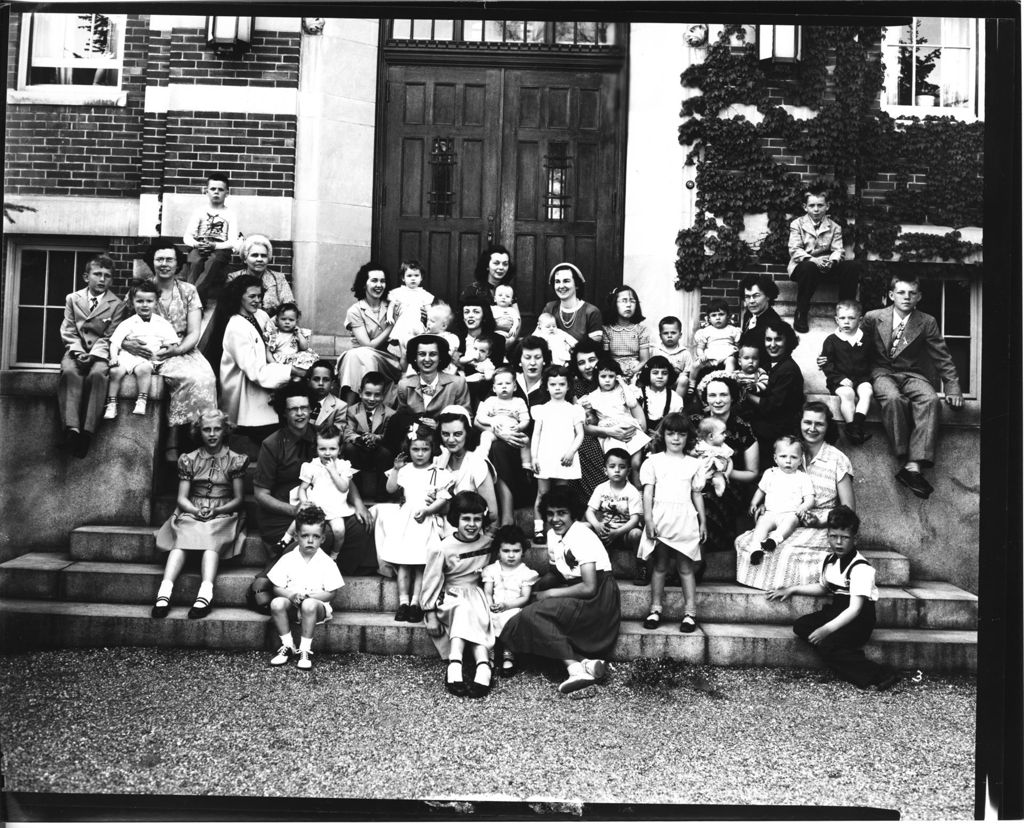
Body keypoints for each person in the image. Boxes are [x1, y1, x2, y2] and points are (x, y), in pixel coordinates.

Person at [498, 487, 620, 695]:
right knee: (531, 610)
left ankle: (574, 669)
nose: (555, 519)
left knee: (533, 615)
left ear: (573, 513)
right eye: (550, 513)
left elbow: (590, 587)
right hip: (575, 591)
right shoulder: (552, 536)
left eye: (561, 513)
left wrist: (551, 594)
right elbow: (556, 572)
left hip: (598, 599)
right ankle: (586, 663)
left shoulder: (583, 536)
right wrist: (536, 587)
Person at [768, 506, 900, 690]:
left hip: (858, 620)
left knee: (826, 645)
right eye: (833, 536)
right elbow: (824, 587)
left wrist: (826, 630)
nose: (838, 542)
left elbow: (855, 609)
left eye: (845, 538)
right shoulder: (830, 560)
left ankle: (880, 674)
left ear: (855, 538)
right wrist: (792, 589)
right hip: (837, 610)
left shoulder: (861, 568)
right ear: (828, 535)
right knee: (801, 626)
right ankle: (843, 652)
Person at [253, 382, 376, 576]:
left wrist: (359, 503)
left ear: (311, 409)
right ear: (284, 413)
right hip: (284, 508)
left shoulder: (323, 435)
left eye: (304, 408)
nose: (300, 413)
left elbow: (342, 472)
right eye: (293, 409)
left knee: (358, 527)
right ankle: (269, 578)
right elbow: (260, 494)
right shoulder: (272, 443)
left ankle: (331, 573)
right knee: (320, 532)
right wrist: (294, 509)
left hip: (324, 499)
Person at [735, 401, 854, 590]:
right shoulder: (790, 452)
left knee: (785, 550)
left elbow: (848, 509)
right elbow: (773, 485)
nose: (812, 428)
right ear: (800, 423)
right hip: (785, 517)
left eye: (819, 424)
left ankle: (799, 586)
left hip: (822, 525)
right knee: (747, 542)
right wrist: (766, 504)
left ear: (827, 427)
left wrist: (820, 521)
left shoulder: (837, 459)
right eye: (807, 422)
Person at [862, 275, 963, 499]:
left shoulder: (926, 321)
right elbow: (856, 347)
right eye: (901, 292)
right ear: (891, 295)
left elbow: (942, 357)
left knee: (929, 400)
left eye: (911, 293)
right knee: (893, 398)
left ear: (919, 297)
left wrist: (953, 387)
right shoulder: (873, 317)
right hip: (881, 372)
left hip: (911, 373)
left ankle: (914, 465)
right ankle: (904, 455)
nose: (906, 297)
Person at [122, 239, 218, 462]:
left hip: (181, 348)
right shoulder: (141, 289)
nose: (164, 264)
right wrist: (128, 344)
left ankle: (199, 440)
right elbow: (124, 324)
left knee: (205, 378)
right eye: (159, 259)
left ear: (177, 264)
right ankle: (172, 442)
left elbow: (194, 332)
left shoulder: (188, 291)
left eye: (169, 259)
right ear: (152, 262)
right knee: (184, 376)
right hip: (147, 349)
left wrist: (177, 350)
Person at [151, 409, 248, 619]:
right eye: (207, 430)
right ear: (199, 432)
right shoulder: (190, 459)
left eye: (216, 429)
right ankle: (164, 592)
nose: (212, 434)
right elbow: (181, 498)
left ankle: (205, 593)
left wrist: (218, 510)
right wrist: (195, 510)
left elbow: (239, 499)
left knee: (211, 543)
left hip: (224, 512)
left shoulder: (235, 459)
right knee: (180, 544)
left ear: (225, 431)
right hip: (192, 509)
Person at [376, 420, 453, 624]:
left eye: (425, 449)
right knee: (404, 564)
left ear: (432, 449)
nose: (420, 454)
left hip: (425, 520)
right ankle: (403, 602)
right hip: (406, 522)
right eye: (415, 449)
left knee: (420, 564)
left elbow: (443, 499)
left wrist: (428, 510)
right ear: (408, 449)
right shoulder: (405, 469)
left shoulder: (438, 473)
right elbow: (390, 489)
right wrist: (395, 469)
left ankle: (415, 603)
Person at [421, 491, 496, 698]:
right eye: (466, 519)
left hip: (478, 593)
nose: (472, 524)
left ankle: (482, 666)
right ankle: (457, 663)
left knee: (476, 608)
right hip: (451, 595)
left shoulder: (488, 543)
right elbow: (431, 581)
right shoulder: (442, 548)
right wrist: (430, 614)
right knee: (463, 608)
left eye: (477, 519)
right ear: (456, 519)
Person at [638, 413, 708, 634]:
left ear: (689, 437)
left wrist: (702, 521)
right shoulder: (653, 461)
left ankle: (689, 613)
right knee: (659, 566)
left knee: (685, 568)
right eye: (671, 434)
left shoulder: (694, 464)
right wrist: (648, 519)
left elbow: (697, 494)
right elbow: (647, 492)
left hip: (685, 520)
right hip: (661, 518)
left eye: (681, 434)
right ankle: (655, 609)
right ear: (663, 435)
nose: (676, 439)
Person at [217, 274, 305, 444]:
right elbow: (255, 371)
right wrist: (290, 370)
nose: (257, 300)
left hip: (265, 385)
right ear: (238, 297)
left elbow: (276, 340)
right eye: (252, 296)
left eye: (259, 296)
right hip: (245, 394)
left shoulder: (261, 316)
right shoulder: (236, 327)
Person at [57, 254, 128, 457]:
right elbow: (68, 330)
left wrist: (95, 354)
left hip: (101, 352)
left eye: (107, 276)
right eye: (97, 274)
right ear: (86, 277)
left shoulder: (117, 304)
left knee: (98, 376)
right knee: (70, 373)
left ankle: (87, 433)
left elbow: (110, 335)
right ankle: (71, 430)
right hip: (75, 350)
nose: (102, 279)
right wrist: (78, 352)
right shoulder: (73, 299)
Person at [267, 505, 344, 671]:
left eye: (315, 536)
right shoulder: (288, 558)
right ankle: (288, 645)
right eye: (305, 536)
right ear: (296, 536)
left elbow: (331, 593)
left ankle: (305, 649)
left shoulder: (327, 562)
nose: (310, 540)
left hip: (316, 607)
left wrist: (310, 599)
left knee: (308, 605)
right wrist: (291, 595)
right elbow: (276, 587)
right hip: (293, 604)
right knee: (276, 603)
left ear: (323, 539)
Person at [689, 374, 760, 554]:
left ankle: (698, 559)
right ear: (705, 398)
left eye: (723, 395)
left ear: (732, 397)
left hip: (728, 485)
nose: (718, 400)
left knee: (708, 497)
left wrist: (723, 473)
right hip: (694, 477)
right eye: (712, 395)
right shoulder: (696, 422)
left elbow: (752, 472)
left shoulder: (743, 428)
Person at [787, 183, 861, 333]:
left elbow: (838, 249)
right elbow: (794, 250)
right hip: (803, 266)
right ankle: (801, 311)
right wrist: (814, 260)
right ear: (805, 207)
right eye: (812, 205)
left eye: (820, 205)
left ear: (827, 206)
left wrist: (832, 261)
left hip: (827, 266)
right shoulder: (797, 224)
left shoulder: (835, 227)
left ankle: (845, 312)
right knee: (809, 267)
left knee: (851, 266)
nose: (816, 209)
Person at [273, 425, 354, 561]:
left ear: (339, 450)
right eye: (322, 449)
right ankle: (284, 540)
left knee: (340, 530)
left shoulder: (343, 466)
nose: (327, 453)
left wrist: (333, 471)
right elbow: (302, 488)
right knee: (300, 517)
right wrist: (304, 501)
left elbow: (344, 487)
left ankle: (334, 555)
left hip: (335, 506)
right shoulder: (312, 466)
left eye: (332, 449)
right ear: (316, 449)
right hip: (317, 503)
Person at [104, 280, 178, 419]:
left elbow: (172, 344)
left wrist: (161, 354)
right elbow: (115, 342)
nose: (144, 305)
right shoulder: (128, 323)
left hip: (148, 359)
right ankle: (111, 403)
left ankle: (142, 400)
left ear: (156, 303)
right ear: (132, 303)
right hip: (127, 357)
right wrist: (113, 357)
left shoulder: (162, 324)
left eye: (149, 301)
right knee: (115, 371)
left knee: (143, 369)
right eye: (140, 301)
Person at [530, 365, 586, 543]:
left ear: (568, 386)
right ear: (547, 386)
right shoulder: (541, 409)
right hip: (545, 455)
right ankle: (539, 529)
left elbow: (580, 434)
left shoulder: (574, 409)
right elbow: (536, 434)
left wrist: (571, 452)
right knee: (542, 492)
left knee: (562, 493)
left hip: (564, 457)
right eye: (553, 384)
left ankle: (564, 528)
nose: (557, 388)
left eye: (562, 384)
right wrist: (534, 457)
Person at [336, 262, 402, 404]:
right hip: (362, 357)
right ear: (364, 284)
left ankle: (349, 406)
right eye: (374, 280)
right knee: (357, 355)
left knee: (357, 355)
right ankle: (351, 411)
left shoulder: (392, 306)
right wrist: (391, 326)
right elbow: (368, 345)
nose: (379, 285)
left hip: (388, 361)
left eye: (382, 281)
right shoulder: (355, 310)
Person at [475, 366, 533, 520]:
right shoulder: (491, 401)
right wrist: (491, 421)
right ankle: (482, 455)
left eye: (508, 384)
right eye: (500, 384)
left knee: (524, 441)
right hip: (496, 431)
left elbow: (526, 419)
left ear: (515, 386)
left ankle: (526, 465)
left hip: (513, 432)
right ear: (493, 388)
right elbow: (479, 417)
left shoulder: (518, 402)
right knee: (486, 436)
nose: (504, 387)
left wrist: (519, 426)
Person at [743, 321, 805, 465]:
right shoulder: (768, 365)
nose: (772, 344)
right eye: (768, 339)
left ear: (787, 341)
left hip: (776, 432)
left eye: (778, 339)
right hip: (764, 426)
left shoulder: (788, 369)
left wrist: (745, 394)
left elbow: (770, 405)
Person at [747, 436, 816, 564]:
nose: (788, 461)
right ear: (775, 458)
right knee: (761, 526)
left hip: (790, 513)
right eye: (783, 456)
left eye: (794, 457)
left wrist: (803, 507)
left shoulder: (802, 477)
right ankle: (755, 549)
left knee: (792, 521)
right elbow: (761, 490)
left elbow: (810, 498)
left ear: (800, 460)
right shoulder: (770, 473)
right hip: (770, 513)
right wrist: (754, 503)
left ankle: (774, 539)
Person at [481, 525, 539, 677]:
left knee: (511, 617)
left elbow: (525, 597)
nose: (511, 555)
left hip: (513, 606)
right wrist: (490, 605)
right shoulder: (492, 570)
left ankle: (508, 653)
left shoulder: (526, 573)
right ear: (498, 552)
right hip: (494, 604)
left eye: (516, 551)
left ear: (523, 551)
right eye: (506, 551)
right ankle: (491, 652)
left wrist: (506, 606)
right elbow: (487, 591)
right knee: (486, 617)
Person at [578, 357, 649, 476]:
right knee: (619, 463)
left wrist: (622, 383)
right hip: (611, 434)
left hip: (630, 428)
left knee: (636, 463)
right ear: (597, 377)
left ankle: (638, 490)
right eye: (603, 376)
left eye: (611, 376)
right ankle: (621, 488)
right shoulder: (593, 396)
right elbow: (582, 415)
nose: (607, 380)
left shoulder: (622, 391)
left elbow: (632, 403)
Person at [182, 173, 242, 305]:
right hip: (201, 244)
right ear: (206, 191)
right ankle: (197, 301)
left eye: (220, 190)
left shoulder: (230, 214)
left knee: (213, 261)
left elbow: (232, 241)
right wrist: (197, 244)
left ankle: (190, 298)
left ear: (227, 193)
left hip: (220, 248)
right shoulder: (199, 211)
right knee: (195, 260)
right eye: (213, 189)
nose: (216, 192)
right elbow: (187, 236)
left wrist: (214, 246)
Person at [820, 299, 873, 445]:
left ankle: (857, 425)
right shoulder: (831, 340)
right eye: (842, 318)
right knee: (848, 394)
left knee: (867, 391)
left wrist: (868, 378)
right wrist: (839, 378)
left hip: (861, 378)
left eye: (851, 318)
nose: (846, 322)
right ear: (836, 320)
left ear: (860, 320)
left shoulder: (866, 340)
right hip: (839, 381)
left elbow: (872, 361)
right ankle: (851, 427)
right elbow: (827, 364)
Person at [433, 406, 499, 522]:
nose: (451, 440)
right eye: (445, 434)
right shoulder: (438, 461)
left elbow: (492, 514)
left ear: (467, 433)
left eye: (457, 434)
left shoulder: (477, 463)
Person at [341, 371, 394, 501]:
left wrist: (376, 438)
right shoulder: (352, 411)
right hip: (359, 450)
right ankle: (356, 491)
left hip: (378, 452)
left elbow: (389, 436)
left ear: (383, 396)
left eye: (377, 395)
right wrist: (360, 439)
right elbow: (348, 432)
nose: (371, 399)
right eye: (368, 394)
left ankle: (382, 493)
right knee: (348, 448)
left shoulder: (389, 414)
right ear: (360, 392)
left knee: (386, 453)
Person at [586, 448, 643, 555]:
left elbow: (635, 519)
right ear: (605, 470)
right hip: (605, 531)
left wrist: (616, 533)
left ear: (628, 471)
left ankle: (639, 563)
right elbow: (589, 511)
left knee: (636, 534)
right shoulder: (601, 488)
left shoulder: (632, 491)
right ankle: (585, 562)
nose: (617, 470)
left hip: (624, 533)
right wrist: (597, 525)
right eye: (612, 466)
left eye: (622, 467)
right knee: (583, 527)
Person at [224, 234, 294, 317]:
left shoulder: (279, 279)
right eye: (254, 255)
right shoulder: (234, 278)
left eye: (264, 256)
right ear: (245, 259)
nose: (259, 259)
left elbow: (290, 307)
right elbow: (228, 309)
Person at [543, 262, 604, 345]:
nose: (561, 286)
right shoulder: (549, 308)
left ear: (576, 285)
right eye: (557, 281)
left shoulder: (591, 312)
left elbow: (593, 348)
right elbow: (539, 337)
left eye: (566, 281)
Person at [602, 285, 651, 381]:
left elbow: (644, 360)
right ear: (615, 304)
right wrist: (617, 371)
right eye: (624, 300)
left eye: (632, 301)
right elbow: (605, 358)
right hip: (613, 370)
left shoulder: (641, 330)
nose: (628, 305)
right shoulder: (607, 330)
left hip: (636, 370)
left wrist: (633, 371)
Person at [386, 259, 434, 353]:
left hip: (416, 324)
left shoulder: (423, 294)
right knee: (402, 349)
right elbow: (391, 306)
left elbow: (429, 311)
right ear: (403, 278)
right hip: (403, 324)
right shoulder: (398, 292)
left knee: (415, 348)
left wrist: (430, 321)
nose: (413, 278)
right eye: (409, 275)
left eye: (416, 275)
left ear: (421, 278)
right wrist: (389, 317)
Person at [690, 298, 741, 386]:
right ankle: (692, 381)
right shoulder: (705, 331)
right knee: (695, 365)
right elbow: (700, 347)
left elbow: (738, 346)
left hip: (727, 354)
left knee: (731, 361)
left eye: (721, 314)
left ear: (728, 316)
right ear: (709, 318)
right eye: (714, 315)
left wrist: (737, 352)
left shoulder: (733, 330)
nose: (718, 318)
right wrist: (701, 355)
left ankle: (728, 380)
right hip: (711, 356)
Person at [738, 274, 785, 367]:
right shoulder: (748, 314)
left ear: (768, 296)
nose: (751, 301)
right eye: (747, 297)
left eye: (756, 296)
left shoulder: (773, 322)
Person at [635, 356, 685, 437]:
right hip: (640, 436)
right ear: (648, 374)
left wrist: (659, 435)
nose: (660, 376)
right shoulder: (637, 394)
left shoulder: (675, 399)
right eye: (655, 373)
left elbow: (675, 425)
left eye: (664, 373)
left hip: (664, 437)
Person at [265, 302, 318, 371]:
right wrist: (274, 364)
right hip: (280, 361)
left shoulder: (296, 333)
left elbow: (304, 347)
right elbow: (268, 352)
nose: (287, 322)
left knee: (305, 362)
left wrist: (299, 334)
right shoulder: (274, 334)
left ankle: (297, 376)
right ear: (277, 320)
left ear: (296, 321)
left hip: (295, 359)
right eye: (283, 319)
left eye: (291, 320)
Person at [690, 417, 735, 498]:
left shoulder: (723, 447)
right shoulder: (701, 444)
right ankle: (697, 490)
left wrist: (727, 474)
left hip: (717, 470)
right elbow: (691, 454)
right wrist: (696, 452)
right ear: (711, 436)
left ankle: (718, 486)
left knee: (720, 478)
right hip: (702, 469)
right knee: (698, 478)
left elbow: (730, 461)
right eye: (722, 433)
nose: (725, 435)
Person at [650, 316, 693, 398]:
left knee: (684, 379)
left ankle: (676, 404)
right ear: (660, 336)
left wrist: (682, 375)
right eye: (665, 333)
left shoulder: (684, 352)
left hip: (675, 384)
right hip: (659, 381)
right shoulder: (655, 351)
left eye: (673, 333)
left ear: (680, 335)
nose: (669, 336)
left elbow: (688, 371)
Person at [451, 297, 498, 373]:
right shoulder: (455, 339)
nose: (470, 315)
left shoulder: (497, 340)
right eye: (466, 312)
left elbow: (497, 372)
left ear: (484, 316)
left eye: (476, 312)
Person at [307, 359, 347, 434]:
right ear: (309, 382)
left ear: (332, 384)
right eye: (316, 379)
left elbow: (338, 434)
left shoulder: (340, 407)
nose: (321, 383)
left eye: (326, 380)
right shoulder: (302, 401)